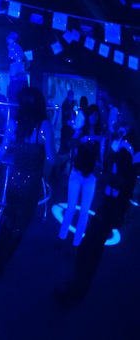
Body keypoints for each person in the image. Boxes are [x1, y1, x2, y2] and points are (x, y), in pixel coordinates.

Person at [54, 97, 140, 306]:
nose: (118, 113)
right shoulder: (125, 138)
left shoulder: (129, 142)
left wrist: (101, 174)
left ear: (130, 112)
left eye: (122, 109)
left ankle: (76, 291)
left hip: (112, 202)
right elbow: (119, 169)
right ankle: (78, 287)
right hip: (111, 200)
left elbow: (121, 178)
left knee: (90, 247)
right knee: (92, 245)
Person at [0, 87, 62, 278]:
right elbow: (52, 159)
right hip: (31, 184)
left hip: (14, 180)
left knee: (8, 220)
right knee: (21, 225)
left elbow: (2, 151)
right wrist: (67, 156)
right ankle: (3, 262)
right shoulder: (44, 126)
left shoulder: (14, 123)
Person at [59, 104, 103, 247]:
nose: (94, 117)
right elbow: (71, 143)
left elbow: (101, 156)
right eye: (92, 114)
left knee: (84, 212)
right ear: (88, 115)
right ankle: (62, 236)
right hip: (77, 174)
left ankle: (77, 243)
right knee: (71, 208)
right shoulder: (81, 131)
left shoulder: (101, 134)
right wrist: (85, 139)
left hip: (90, 177)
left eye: (96, 114)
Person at [6, 31, 29, 108]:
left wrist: (14, 73)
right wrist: (22, 70)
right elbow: (27, 63)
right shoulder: (20, 48)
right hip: (23, 78)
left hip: (16, 79)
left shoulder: (12, 47)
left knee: (13, 103)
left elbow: (19, 59)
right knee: (22, 103)